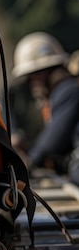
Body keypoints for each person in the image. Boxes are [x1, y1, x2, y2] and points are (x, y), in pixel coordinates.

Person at [12, 32, 79, 181]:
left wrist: (30, 161)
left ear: (43, 73)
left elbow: (52, 143)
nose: (33, 85)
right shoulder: (66, 92)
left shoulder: (69, 92)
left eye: (32, 78)